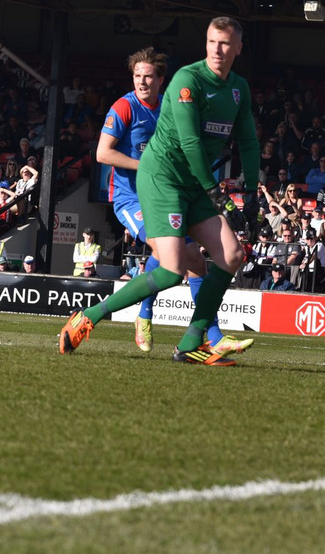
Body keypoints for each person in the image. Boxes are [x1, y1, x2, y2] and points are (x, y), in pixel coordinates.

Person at [59, 16, 260, 366]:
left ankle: (191, 343)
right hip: (162, 178)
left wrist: (254, 193)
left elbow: (248, 140)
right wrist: (216, 193)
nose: (217, 49)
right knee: (172, 268)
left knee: (231, 255)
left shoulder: (238, 88)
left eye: (225, 43)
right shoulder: (188, 80)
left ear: (239, 48)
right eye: (212, 41)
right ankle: (89, 316)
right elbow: (190, 142)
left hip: (194, 183)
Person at [97, 47, 253, 355]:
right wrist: (151, 167)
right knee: (177, 254)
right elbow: (103, 153)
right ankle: (146, 314)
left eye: (148, 77)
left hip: (170, 193)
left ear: (161, 80)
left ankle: (211, 337)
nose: (141, 82)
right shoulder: (124, 107)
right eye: (137, 76)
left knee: (196, 261)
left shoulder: (172, 106)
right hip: (132, 198)